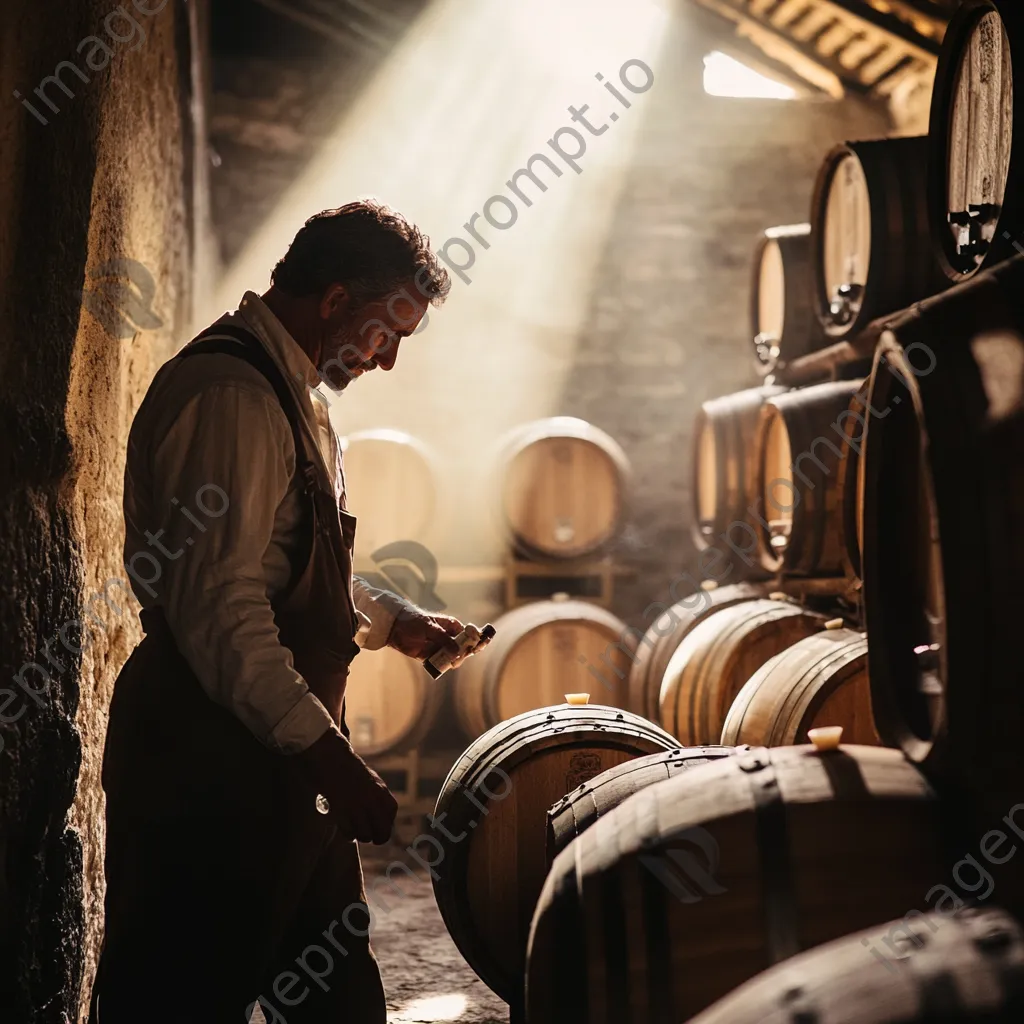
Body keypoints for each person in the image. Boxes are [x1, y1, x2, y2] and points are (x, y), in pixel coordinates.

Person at [89, 200, 464, 1023]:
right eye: (386, 330)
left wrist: (393, 619)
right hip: (209, 754)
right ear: (334, 300)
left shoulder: (294, 395)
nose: (389, 359)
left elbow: (290, 566)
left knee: (336, 996)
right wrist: (329, 758)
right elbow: (221, 608)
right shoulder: (231, 395)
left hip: (278, 757)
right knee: (179, 993)